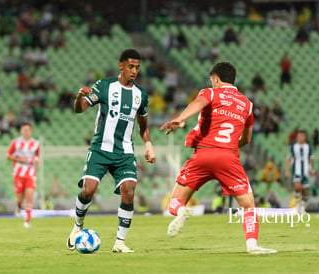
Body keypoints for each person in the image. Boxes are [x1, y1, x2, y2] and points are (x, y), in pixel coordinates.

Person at [160, 62, 276, 254]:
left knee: (175, 201)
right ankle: (252, 246)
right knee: (248, 206)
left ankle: (181, 211)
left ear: (216, 79)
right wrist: (227, 147)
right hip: (228, 157)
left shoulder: (210, 93)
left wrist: (181, 118)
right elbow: (246, 139)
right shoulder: (247, 105)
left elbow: (197, 104)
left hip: (203, 155)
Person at [66, 49, 156, 253]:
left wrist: (148, 146)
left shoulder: (140, 94)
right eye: (131, 67)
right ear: (121, 66)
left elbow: (143, 125)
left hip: (124, 152)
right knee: (88, 190)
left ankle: (120, 242)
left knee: (129, 190)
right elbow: (80, 109)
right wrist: (79, 97)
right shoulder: (105, 86)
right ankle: (77, 227)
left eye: (137, 67)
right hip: (100, 148)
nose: (134, 71)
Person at [6, 122, 40, 228]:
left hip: (30, 174)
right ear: (21, 131)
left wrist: (37, 160)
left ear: (31, 131)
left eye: (28, 130)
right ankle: (19, 206)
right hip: (18, 174)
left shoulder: (35, 143)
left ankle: (27, 220)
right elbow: (8, 156)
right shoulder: (15, 142)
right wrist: (19, 159)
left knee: (29, 196)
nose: (26, 132)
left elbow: (37, 156)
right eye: (24, 130)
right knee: (20, 198)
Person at [284, 130, 314, 213]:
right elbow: (288, 158)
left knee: (305, 190)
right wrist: (287, 170)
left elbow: (311, 158)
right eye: (299, 136)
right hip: (296, 171)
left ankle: (303, 207)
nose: (301, 137)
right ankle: (297, 205)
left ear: (305, 137)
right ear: (297, 137)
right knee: (297, 187)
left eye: (302, 136)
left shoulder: (308, 147)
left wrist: (312, 169)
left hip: (306, 171)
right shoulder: (293, 147)